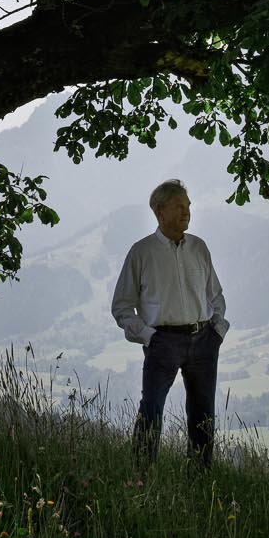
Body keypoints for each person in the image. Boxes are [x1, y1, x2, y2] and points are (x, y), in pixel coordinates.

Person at [110, 178, 228, 466]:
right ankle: (141, 477)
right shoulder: (142, 252)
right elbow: (121, 306)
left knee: (203, 415)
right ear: (160, 212)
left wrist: (217, 330)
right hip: (163, 341)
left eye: (187, 206)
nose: (186, 212)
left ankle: (201, 480)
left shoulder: (199, 247)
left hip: (203, 340)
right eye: (178, 206)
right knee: (151, 409)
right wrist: (149, 336)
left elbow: (216, 295)